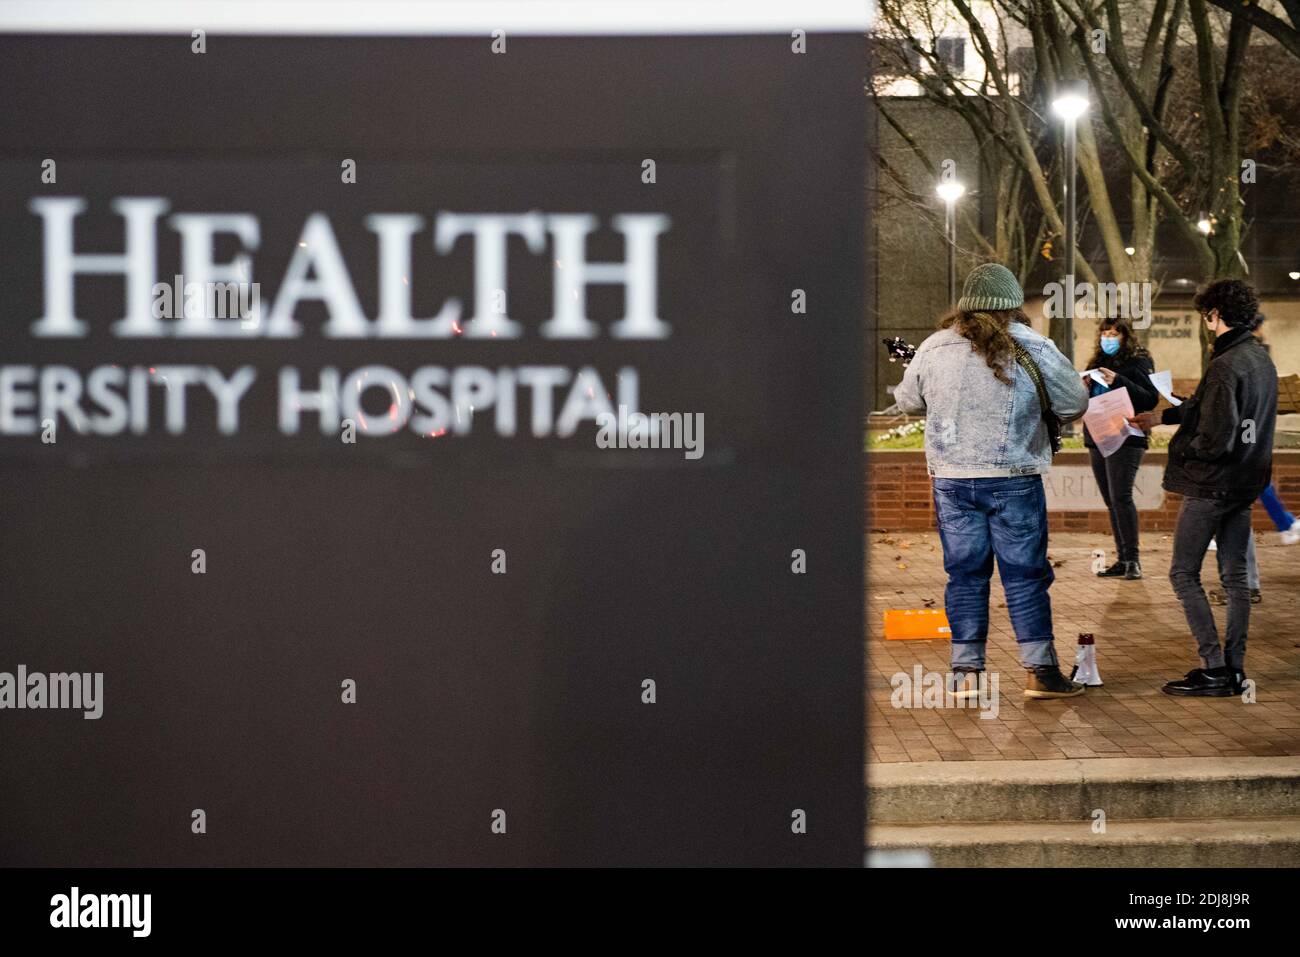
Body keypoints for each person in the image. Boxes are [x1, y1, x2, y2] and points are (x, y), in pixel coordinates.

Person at [895, 263, 1090, 699]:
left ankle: (966, 674)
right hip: (1013, 478)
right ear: (1012, 306)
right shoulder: (1033, 346)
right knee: (1024, 576)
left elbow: (908, 400)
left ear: (963, 308)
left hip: (951, 478)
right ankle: (1040, 673)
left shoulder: (933, 347)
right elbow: (1075, 402)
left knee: (964, 575)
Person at [1128, 279, 1277, 697]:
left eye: (1205, 317)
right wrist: (1161, 418)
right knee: (1235, 577)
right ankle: (1233, 667)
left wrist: (1184, 449)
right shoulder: (1258, 361)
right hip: (1246, 482)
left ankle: (1212, 665)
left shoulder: (1225, 365)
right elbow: (1208, 409)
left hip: (1212, 485)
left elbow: (1215, 437)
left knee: (1183, 573)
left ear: (1214, 315)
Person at [1082, 318, 1159, 580]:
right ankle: (1122, 558)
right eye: (1105, 333)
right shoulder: (1095, 363)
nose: (1109, 338)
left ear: (1126, 336)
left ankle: (1133, 561)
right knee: (1110, 501)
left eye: (1115, 333)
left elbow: (1149, 397)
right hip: (1098, 435)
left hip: (1127, 437)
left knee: (1121, 497)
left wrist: (1119, 380)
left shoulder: (1139, 361)